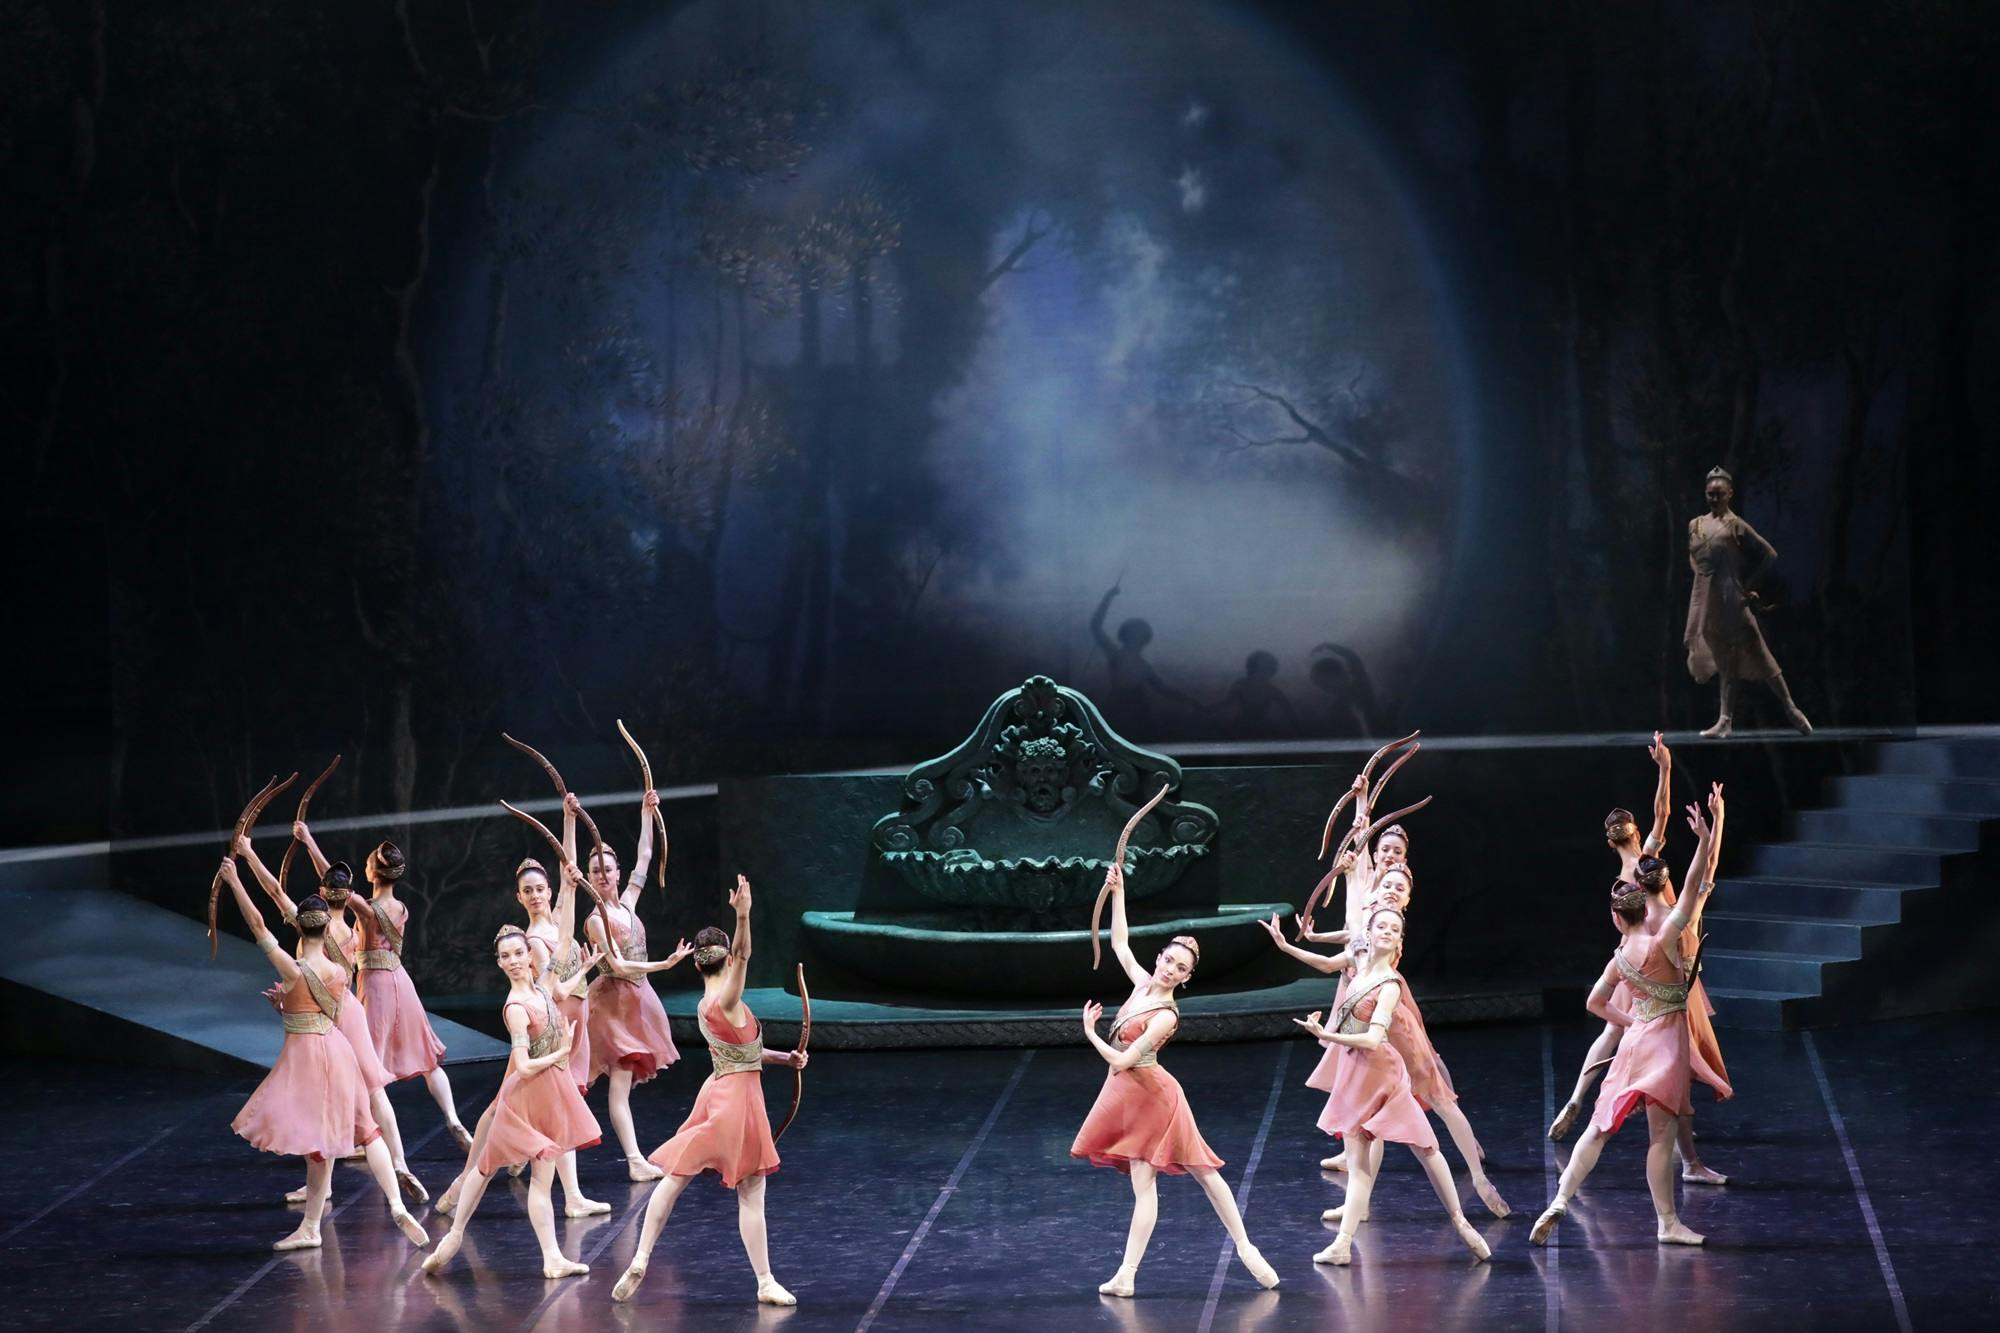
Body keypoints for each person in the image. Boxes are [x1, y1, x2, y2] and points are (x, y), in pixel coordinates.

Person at [1069, 864, 1280, 1298]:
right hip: (1129, 1094)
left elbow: (1123, 1059)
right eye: (1168, 960)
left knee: (1200, 1172)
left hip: (1154, 1096)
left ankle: (1245, 1248)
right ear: (1160, 958)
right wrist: (1119, 892)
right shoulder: (1141, 985)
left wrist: (1089, 1033)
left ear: (1186, 977)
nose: (1170, 969)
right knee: (1151, 1182)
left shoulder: (1166, 1015)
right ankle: (1128, 1275)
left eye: (1180, 968)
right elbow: (1120, 943)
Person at [1533, 785, 1727, 1248]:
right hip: (1665, 1046)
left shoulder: (1618, 959)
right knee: (1660, 1138)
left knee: (1599, 1127)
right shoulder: (1666, 937)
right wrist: (1707, 836)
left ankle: (1560, 1197)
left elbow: (1594, 1004)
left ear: (1618, 919)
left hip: (1635, 1041)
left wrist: (1629, 1021)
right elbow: (1696, 885)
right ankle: (1667, 1222)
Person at [614, 876, 807, 1307]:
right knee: (751, 1190)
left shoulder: (706, 1007)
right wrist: (744, 916)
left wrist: (784, 1058)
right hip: (738, 1103)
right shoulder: (726, 1002)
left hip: (718, 1092)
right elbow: (745, 955)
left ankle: (641, 1257)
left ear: (697, 966)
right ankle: (764, 1281)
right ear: (726, 960)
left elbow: (743, 1052)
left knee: (676, 1176)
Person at [217, 860, 428, 1252]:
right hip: (339, 1050)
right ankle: (396, 1203)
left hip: (310, 1057)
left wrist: (233, 881)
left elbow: (259, 926)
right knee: (366, 1130)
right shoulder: (339, 972)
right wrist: (287, 1007)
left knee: (319, 1140)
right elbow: (320, 1010)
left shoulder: (293, 969)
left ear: (300, 927)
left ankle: (312, 1227)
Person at [1293, 905, 1492, 1266]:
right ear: (1368, 935)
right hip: (1355, 1072)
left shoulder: (1389, 985)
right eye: (1381, 926)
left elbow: (1373, 1039)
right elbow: (1326, 965)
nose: (1387, 931)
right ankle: (1342, 1244)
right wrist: (1285, 944)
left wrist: (1328, 1035)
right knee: (1358, 1165)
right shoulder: (1359, 971)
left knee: (1426, 1148)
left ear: (1400, 942)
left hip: (1381, 1072)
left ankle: (1461, 1222)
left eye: (1394, 929)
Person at [422, 925, 600, 1280]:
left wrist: (584, 967)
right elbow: (523, 1065)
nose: (514, 960)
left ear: (530, 955)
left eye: (519, 953)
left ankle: (551, 1258)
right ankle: (455, 1235)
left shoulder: (542, 987)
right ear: (499, 963)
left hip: (549, 1093)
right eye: (506, 956)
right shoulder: (515, 1008)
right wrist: (562, 1053)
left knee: (533, 1177)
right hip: (526, 1096)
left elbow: (563, 955)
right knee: (486, 1167)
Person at [306, 828, 473, 1151]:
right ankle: (453, 1117)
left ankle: (371, 1140)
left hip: (377, 985)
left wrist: (308, 840)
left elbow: (331, 882)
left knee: (369, 1064)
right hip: (401, 981)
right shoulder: (400, 908)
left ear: (373, 873)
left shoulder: (369, 910)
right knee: (429, 1061)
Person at [582, 789, 692, 1180]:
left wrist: (647, 812)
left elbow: (645, 856)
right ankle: (633, 1161)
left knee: (615, 1082)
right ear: (588, 878)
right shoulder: (595, 920)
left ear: (617, 872)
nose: (602, 876)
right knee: (596, 1082)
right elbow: (615, 963)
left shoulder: (628, 902)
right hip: (611, 1006)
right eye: (595, 871)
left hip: (636, 1002)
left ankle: (631, 1160)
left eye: (608, 870)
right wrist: (664, 964)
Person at [1686, 467, 1811, 738]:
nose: (1714, 499)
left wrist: (1749, 585)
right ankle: (1725, 720)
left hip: (1731, 600)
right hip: (1705, 602)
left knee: (1760, 654)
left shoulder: (1736, 525)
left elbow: (1769, 554)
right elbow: (1694, 556)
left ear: (1729, 494)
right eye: (1710, 494)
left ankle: (1791, 708)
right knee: (1725, 662)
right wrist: (1702, 576)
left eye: (1719, 494)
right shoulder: (1695, 524)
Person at [1091, 580, 1201, 737]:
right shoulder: (1116, 654)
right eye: (1135, 632)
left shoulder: (1144, 666)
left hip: (1138, 711)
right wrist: (1108, 597)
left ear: (1145, 638)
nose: (1138, 636)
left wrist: (1190, 701)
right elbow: (1095, 626)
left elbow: (1163, 689)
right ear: (1126, 635)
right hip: (1118, 708)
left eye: (1140, 633)